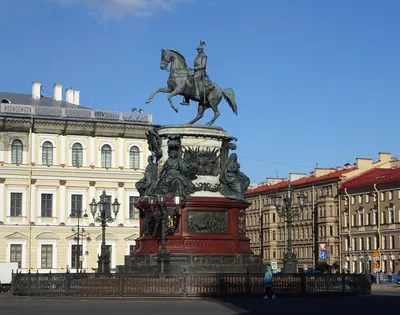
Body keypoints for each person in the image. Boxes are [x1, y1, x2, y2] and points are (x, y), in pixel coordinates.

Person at [181, 41, 214, 106]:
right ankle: (187, 100)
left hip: (201, 72)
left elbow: (203, 66)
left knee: (194, 78)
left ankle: (198, 95)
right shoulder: (197, 57)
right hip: (195, 72)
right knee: (186, 80)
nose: (198, 51)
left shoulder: (204, 56)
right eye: (197, 50)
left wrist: (194, 68)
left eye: (199, 50)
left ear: (201, 50)